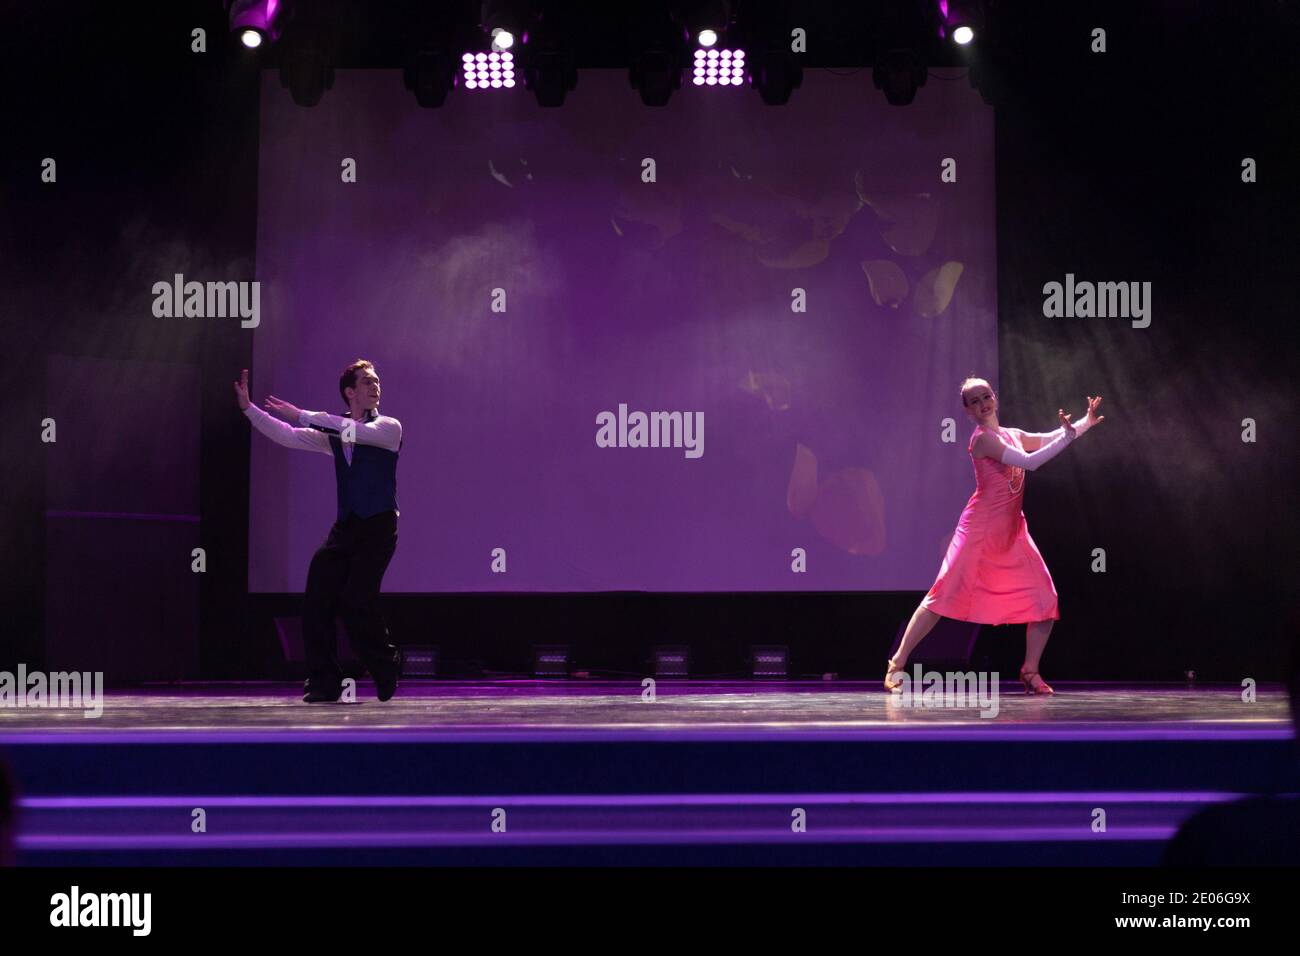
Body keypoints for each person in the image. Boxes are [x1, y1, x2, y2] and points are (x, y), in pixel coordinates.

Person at [884, 376, 1104, 694]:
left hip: (1012, 531)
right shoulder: (982, 440)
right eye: (974, 401)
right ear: (968, 410)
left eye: (986, 396)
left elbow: (1051, 436)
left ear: (995, 398)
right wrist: (1069, 438)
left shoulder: (1012, 434)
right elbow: (1031, 462)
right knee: (941, 597)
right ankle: (898, 663)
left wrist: (1085, 421)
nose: (983, 403)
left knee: (1044, 599)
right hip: (980, 531)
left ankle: (1030, 671)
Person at [235, 360, 404, 703]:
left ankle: (386, 666)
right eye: (368, 382)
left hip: (379, 525)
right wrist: (249, 409)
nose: (375, 387)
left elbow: (345, 429)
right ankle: (325, 680)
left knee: (357, 599)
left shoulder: (388, 428)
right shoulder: (336, 437)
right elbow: (290, 436)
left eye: (377, 382)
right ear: (350, 392)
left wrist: (300, 413)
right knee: (316, 599)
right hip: (347, 526)